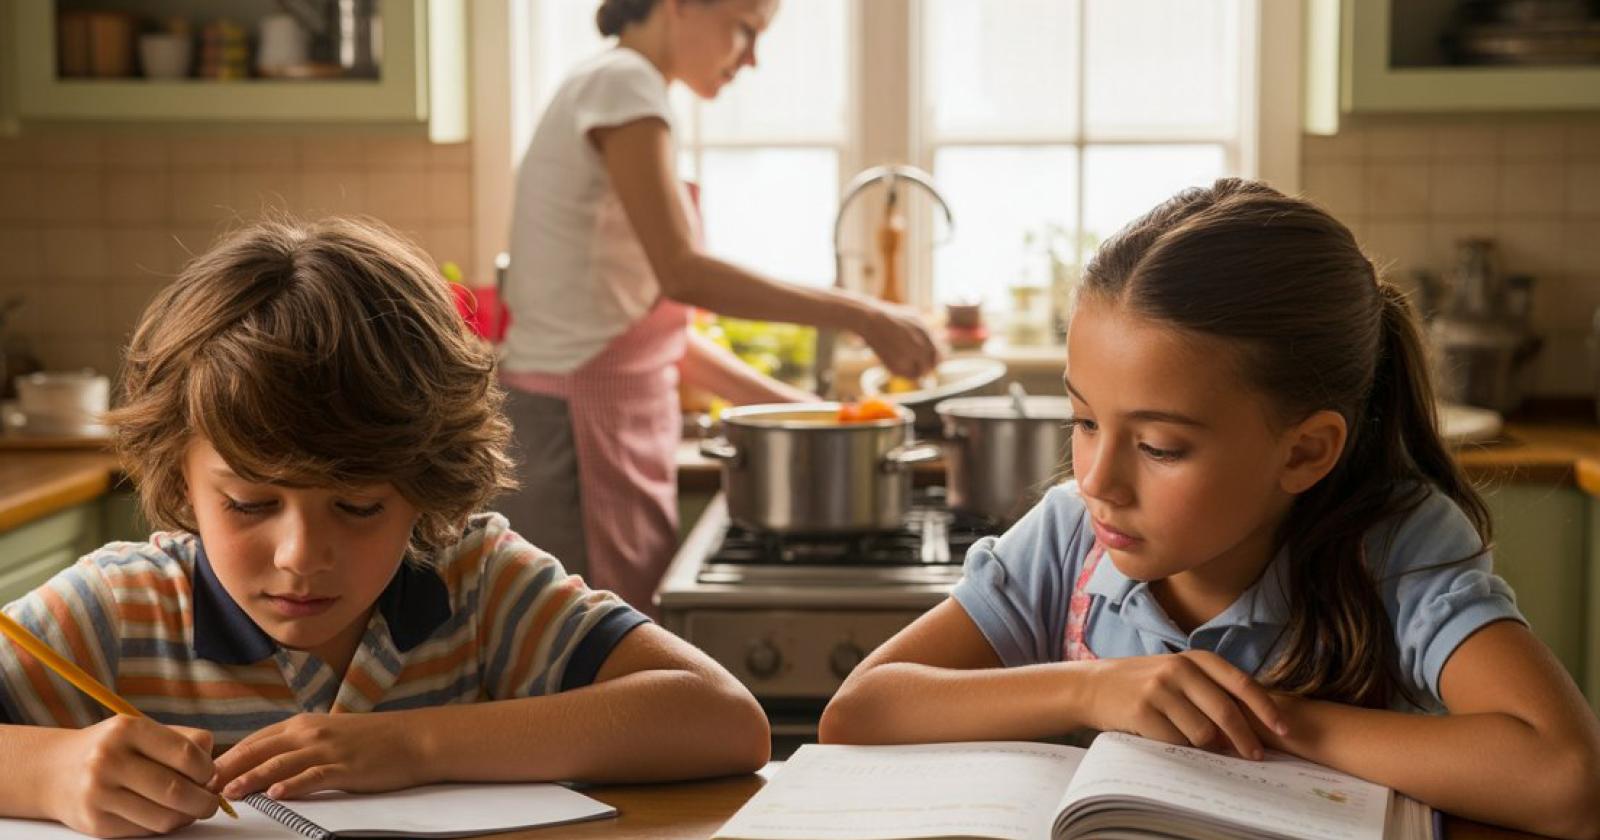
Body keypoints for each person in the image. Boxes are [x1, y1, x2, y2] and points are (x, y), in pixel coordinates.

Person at [819, 179, 1600, 838]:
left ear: (1304, 452)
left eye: (1159, 446)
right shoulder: (1068, 534)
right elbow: (859, 711)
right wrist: (1092, 689)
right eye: (1086, 422)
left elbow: (1565, 779)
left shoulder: (1395, 544)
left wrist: (1271, 721)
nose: (1098, 479)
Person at [0, 218, 771, 838]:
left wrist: (411, 746)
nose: (301, 558)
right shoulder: (116, 611)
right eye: (250, 504)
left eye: (359, 507)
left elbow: (723, 722)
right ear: (181, 477)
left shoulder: (476, 583)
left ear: (426, 483)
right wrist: (52, 773)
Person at [498, 0, 939, 615]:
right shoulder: (624, 85)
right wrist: (864, 314)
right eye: (745, 30)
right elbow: (684, 273)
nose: (751, 59)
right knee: (590, 684)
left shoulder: (611, 85)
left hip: (593, 427)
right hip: (574, 440)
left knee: (615, 672)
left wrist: (821, 415)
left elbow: (655, 344)